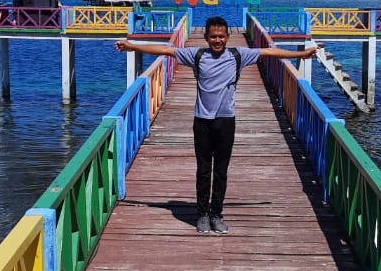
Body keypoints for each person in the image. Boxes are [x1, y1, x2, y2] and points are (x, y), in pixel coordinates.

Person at [115, 17, 317, 235]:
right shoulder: (197, 55)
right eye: (213, 36)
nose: (217, 40)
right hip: (201, 120)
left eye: (221, 36)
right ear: (206, 37)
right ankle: (202, 214)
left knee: (221, 171)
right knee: (203, 170)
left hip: (226, 120)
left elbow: (270, 53)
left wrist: (301, 55)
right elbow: (165, 51)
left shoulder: (238, 55)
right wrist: (131, 46)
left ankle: (216, 214)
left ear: (228, 37)